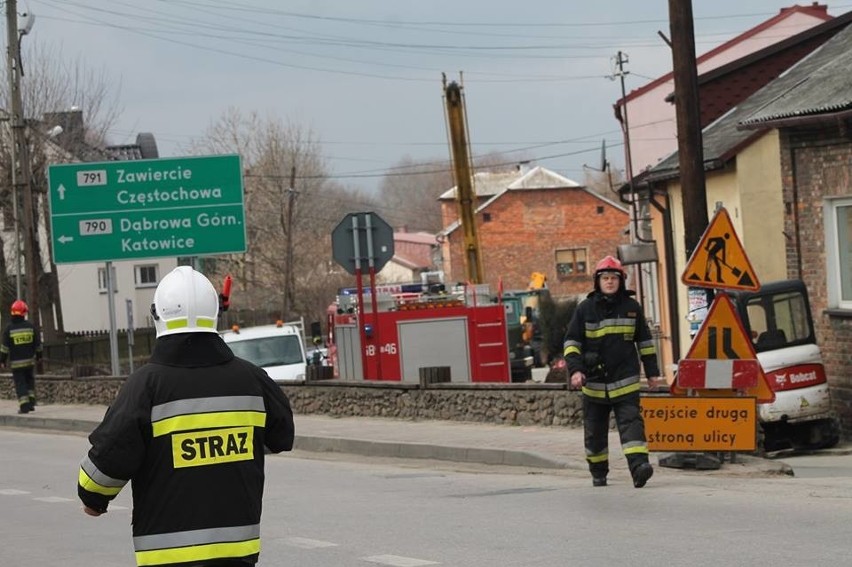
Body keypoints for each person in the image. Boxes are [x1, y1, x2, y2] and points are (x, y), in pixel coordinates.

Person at [77, 266, 295, 566]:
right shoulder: (253, 380)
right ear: (214, 314)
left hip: (167, 557)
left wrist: (94, 499)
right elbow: (281, 436)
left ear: (159, 316)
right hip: (238, 554)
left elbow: (101, 471)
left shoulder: (145, 386)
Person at [563, 256, 660, 488]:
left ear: (621, 281)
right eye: (605, 278)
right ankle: (598, 473)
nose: (609, 282)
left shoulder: (631, 308)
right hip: (595, 384)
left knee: (632, 424)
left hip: (625, 380)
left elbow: (645, 343)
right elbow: (571, 343)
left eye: (613, 278)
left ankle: (639, 468)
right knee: (595, 432)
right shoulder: (585, 309)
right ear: (597, 281)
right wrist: (576, 370)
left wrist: (652, 373)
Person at [0, 299, 42, 414]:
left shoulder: (9, 329)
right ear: (24, 312)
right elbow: (38, 344)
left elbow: (4, 348)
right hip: (29, 362)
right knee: (29, 381)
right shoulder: (30, 327)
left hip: (17, 363)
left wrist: (2, 360)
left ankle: (24, 406)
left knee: (20, 383)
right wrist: (39, 356)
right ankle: (31, 403)